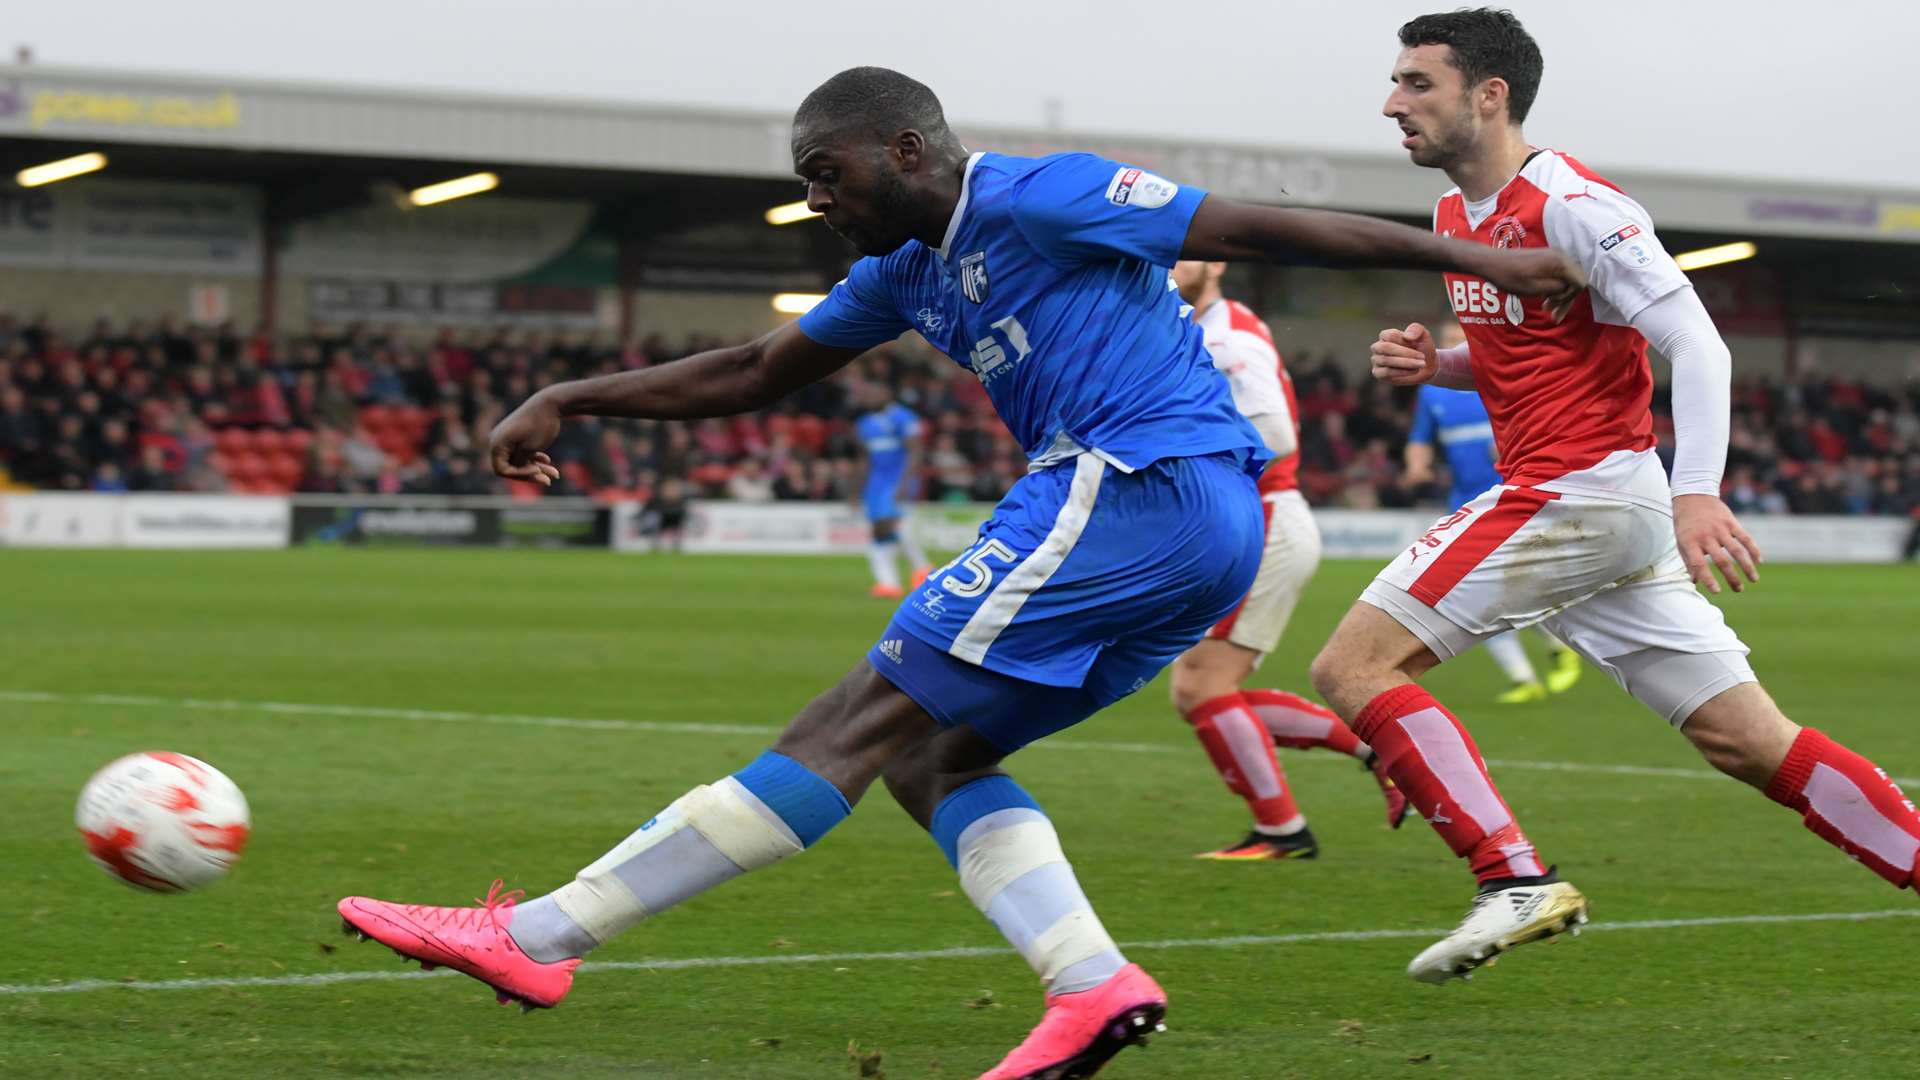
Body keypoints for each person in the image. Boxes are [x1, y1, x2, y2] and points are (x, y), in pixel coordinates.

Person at [337, 66, 1581, 1079]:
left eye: (831, 174)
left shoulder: (1043, 195)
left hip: (1133, 485)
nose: (817, 198)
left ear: (909, 150)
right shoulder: (901, 271)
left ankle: (539, 935)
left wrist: (1491, 267)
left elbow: (1255, 227)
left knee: (856, 720)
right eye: (804, 183)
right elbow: (754, 372)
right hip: (1177, 525)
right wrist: (570, 394)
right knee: (937, 759)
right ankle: (1093, 986)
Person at [1310, 8, 1920, 987]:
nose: (1393, 103)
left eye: (1417, 83)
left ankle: (1511, 877)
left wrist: (1698, 495)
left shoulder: (1578, 206)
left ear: (1490, 94)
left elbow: (1698, 343)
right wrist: (1442, 367)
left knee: (1353, 666)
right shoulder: (1457, 214)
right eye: (1396, 83)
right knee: (1747, 741)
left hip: (1580, 493)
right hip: (1593, 506)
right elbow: (1531, 351)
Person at [1164, 259, 1408, 862]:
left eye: (1182, 254)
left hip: (1264, 519)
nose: (1168, 265)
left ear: (1216, 265)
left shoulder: (1227, 338)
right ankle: (1378, 752)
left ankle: (1282, 831)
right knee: (1203, 688)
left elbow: (1276, 437)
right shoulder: (1197, 326)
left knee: (1201, 685)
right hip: (1246, 522)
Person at [1403, 321, 1582, 704]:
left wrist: (1513, 441)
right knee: (1473, 593)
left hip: (1511, 491)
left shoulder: (1490, 376)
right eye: (1447, 340)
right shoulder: (1432, 391)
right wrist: (1417, 465)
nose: (1451, 347)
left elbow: (1536, 414)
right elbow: (1420, 437)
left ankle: (1557, 645)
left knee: (1508, 586)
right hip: (1464, 498)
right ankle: (1527, 676)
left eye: (1458, 340)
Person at [850, 380, 933, 597]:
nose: (868, 398)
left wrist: (905, 482)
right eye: (865, 395)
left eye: (872, 393)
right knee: (880, 530)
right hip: (876, 483)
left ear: (886, 394)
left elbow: (916, 451)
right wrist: (856, 490)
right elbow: (864, 459)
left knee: (889, 527)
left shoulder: (903, 417)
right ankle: (890, 583)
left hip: (897, 479)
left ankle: (921, 570)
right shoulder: (864, 423)